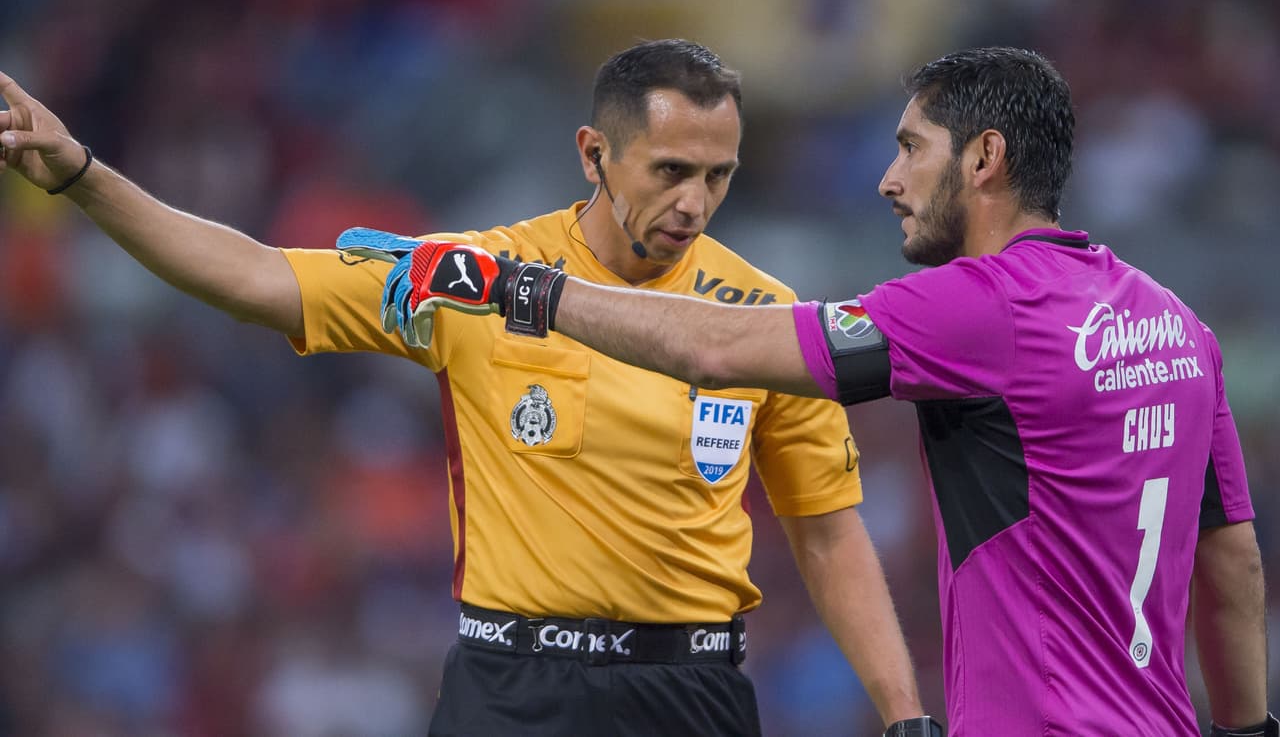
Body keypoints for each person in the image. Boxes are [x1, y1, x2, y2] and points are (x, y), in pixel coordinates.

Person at [0, 40, 939, 737]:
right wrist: (82, 176)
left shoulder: (761, 317)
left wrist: (903, 714)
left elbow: (824, 527)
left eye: (717, 176)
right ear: (593, 155)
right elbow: (255, 278)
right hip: (512, 688)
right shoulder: (473, 279)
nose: (693, 202)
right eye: (670, 171)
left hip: (692, 693)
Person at [336, 46, 1273, 737]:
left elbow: (716, 347)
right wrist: (1246, 729)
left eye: (912, 148)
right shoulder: (1179, 328)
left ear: (983, 160)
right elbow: (1231, 567)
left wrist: (518, 287)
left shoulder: (978, 308)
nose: (888, 178)